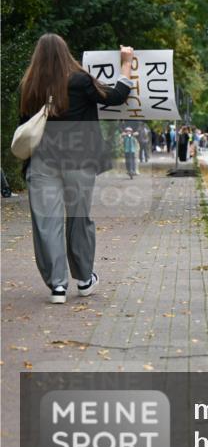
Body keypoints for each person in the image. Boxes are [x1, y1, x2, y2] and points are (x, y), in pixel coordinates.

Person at [18, 36, 133, 303]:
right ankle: (83, 279)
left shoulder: (28, 86)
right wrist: (126, 63)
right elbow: (116, 97)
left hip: (42, 162)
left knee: (47, 223)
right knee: (79, 218)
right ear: (65, 53)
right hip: (79, 161)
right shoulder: (80, 81)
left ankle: (57, 286)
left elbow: (25, 126)